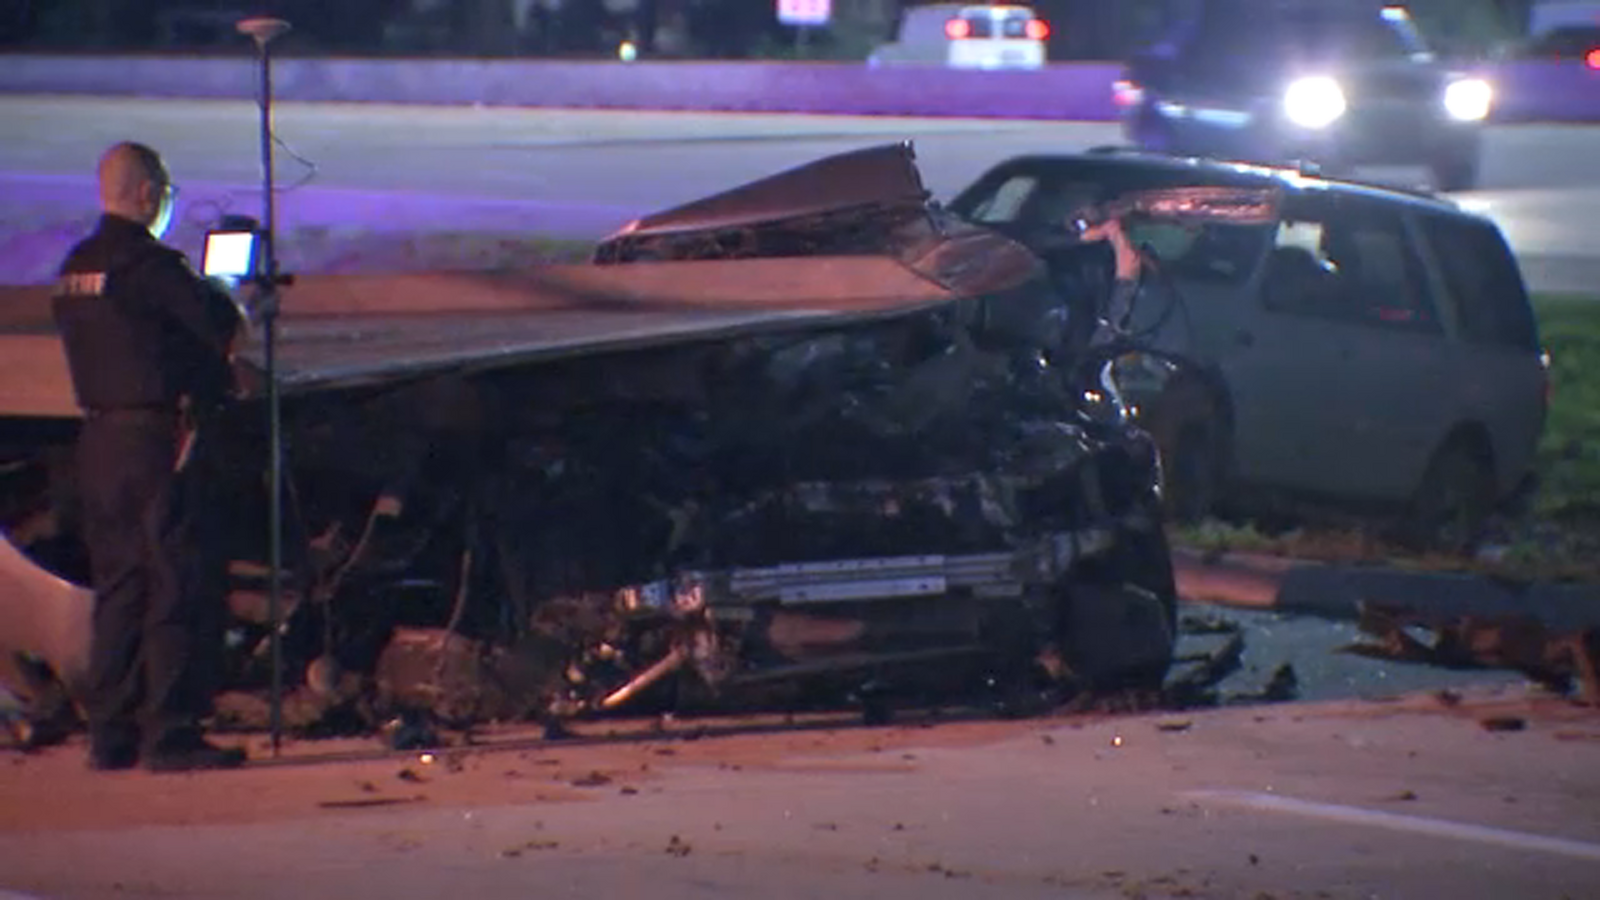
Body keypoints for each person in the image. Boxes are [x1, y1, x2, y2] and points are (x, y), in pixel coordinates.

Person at [52, 142, 245, 772]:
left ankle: (110, 734)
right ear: (147, 194)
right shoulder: (152, 266)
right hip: (156, 444)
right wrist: (226, 291)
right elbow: (217, 327)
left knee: (119, 588)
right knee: (174, 582)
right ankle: (172, 733)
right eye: (165, 192)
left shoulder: (75, 266)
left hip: (98, 441)